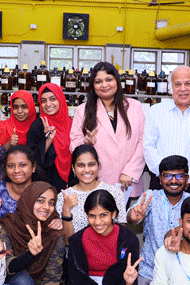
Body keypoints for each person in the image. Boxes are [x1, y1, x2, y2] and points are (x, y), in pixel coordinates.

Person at [70, 62, 146, 196]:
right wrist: (85, 143)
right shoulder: (83, 110)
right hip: (97, 180)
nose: (104, 85)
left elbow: (143, 141)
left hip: (126, 181)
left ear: (117, 81)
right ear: (93, 86)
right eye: (98, 81)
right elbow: (74, 144)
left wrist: (131, 171)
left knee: (124, 217)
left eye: (109, 80)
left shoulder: (135, 107)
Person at [144, 65, 190, 197]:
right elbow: (148, 147)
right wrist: (164, 175)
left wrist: (189, 177)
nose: (183, 89)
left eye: (188, 83)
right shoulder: (155, 112)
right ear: (170, 87)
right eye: (177, 84)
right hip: (160, 183)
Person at [126, 155, 190, 284]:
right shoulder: (151, 197)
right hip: (149, 271)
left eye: (179, 176)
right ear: (160, 179)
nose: (173, 181)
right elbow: (131, 216)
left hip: (182, 273)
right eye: (167, 176)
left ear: (187, 179)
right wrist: (133, 216)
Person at [0, 182, 66, 285]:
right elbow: (6, 265)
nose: (46, 207)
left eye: (51, 203)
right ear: (29, 200)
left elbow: (52, 277)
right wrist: (29, 254)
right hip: (13, 280)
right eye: (40, 201)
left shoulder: (54, 232)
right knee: (23, 280)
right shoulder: (8, 224)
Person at [67, 190, 141, 285]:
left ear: (113, 214)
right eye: (92, 216)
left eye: (103, 215)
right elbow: (74, 279)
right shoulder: (77, 241)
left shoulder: (129, 239)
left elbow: (132, 280)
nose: (97, 222)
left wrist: (128, 283)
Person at [0, 146, 61, 233]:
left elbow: (51, 222)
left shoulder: (44, 192)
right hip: (2, 244)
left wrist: (56, 222)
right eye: (11, 166)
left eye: (22, 165)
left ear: (33, 167)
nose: (17, 170)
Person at [57, 144, 128, 237]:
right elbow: (67, 242)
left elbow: (121, 233)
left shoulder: (114, 192)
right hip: (76, 251)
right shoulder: (64, 197)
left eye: (91, 164)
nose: (87, 170)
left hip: (109, 250)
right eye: (81, 165)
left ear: (98, 166)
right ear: (73, 169)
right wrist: (66, 209)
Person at [28, 82, 73, 190]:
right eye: (43, 101)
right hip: (46, 183)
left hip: (70, 181)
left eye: (53, 99)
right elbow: (32, 158)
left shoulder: (71, 124)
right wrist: (48, 139)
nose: (48, 104)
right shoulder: (38, 124)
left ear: (60, 99)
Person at [0, 90, 36, 175]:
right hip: (8, 180)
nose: (20, 111)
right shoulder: (3, 126)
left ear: (31, 107)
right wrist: (8, 144)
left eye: (24, 107)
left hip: (33, 181)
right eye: (16, 107)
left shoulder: (37, 127)